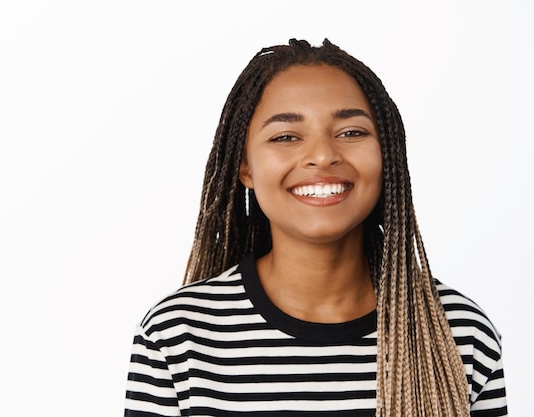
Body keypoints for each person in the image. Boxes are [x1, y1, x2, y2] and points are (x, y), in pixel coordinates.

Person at [123, 38, 507, 416]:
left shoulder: (460, 334)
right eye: (285, 137)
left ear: (386, 154)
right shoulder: (177, 336)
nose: (322, 155)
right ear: (245, 167)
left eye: (351, 133)